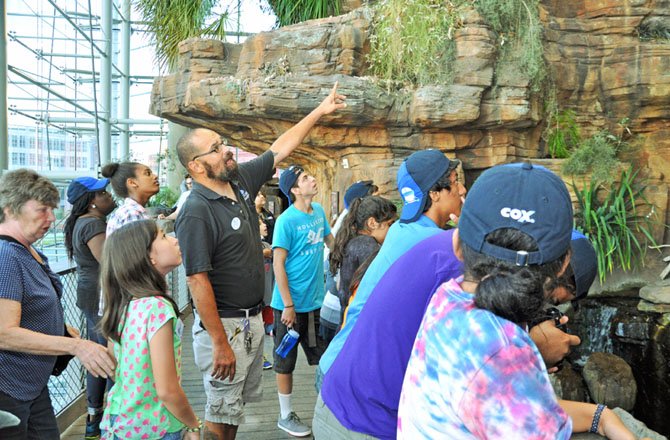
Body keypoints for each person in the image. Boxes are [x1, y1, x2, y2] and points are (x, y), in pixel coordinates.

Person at [397, 163, 640, 439]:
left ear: (458, 247)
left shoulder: (447, 299)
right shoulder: (505, 351)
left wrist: (601, 416)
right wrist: (528, 354)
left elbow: (513, 406)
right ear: (563, 265)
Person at [173, 82, 345, 440]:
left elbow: (279, 148)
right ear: (196, 166)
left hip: (252, 322)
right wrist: (219, 342)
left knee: (232, 410)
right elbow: (196, 281)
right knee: (219, 414)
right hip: (225, 326)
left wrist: (319, 109)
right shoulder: (196, 211)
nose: (226, 151)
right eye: (215, 149)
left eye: (222, 144)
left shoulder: (239, 183)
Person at [317, 149, 466, 379]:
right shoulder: (436, 244)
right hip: (353, 379)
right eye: (456, 183)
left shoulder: (399, 230)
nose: (462, 190)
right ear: (435, 193)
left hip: (338, 365)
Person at [0, 169, 115, 439]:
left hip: (32, 387)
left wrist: (60, 328)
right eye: (42, 210)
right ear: (10, 209)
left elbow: (26, 307)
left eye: (52, 210)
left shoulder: (29, 251)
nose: (51, 218)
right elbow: (4, 332)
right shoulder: (6, 257)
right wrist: (76, 345)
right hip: (9, 390)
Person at [98, 220, 202, 439]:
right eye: (164, 236)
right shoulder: (157, 308)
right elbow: (167, 390)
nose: (174, 240)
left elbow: (117, 367)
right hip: (156, 426)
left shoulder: (123, 305)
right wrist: (193, 425)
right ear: (148, 258)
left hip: (120, 421)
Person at [270, 165, 334, 436]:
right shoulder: (286, 221)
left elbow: (332, 242)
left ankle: (329, 409)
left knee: (325, 357)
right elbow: (278, 264)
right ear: (295, 190)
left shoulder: (318, 212)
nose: (312, 179)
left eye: (310, 175)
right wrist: (287, 304)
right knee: (285, 360)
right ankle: (285, 415)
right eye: (305, 178)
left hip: (316, 302)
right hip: (289, 306)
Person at [63, 176, 116, 438]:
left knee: (99, 353)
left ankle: (95, 417)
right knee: (107, 354)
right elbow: (109, 261)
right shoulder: (93, 224)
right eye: (102, 193)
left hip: (89, 295)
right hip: (99, 297)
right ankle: (110, 418)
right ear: (91, 202)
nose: (108, 196)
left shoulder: (82, 222)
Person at [329, 196, 397, 317]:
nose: (393, 230)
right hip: (357, 320)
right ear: (372, 223)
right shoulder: (367, 245)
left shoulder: (354, 241)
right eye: (390, 224)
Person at [103, 161, 159, 236]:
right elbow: (139, 247)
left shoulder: (131, 210)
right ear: (132, 183)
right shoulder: (132, 213)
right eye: (148, 173)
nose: (155, 176)